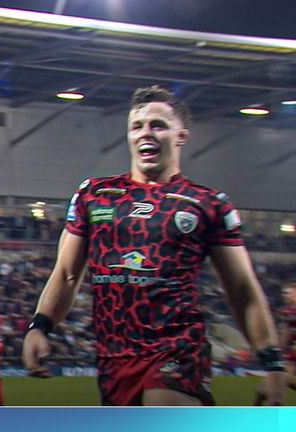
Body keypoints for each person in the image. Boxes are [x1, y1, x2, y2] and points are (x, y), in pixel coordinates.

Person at [22, 85, 287, 406]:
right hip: (113, 358)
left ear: (181, 136)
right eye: (137, 126)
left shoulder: (206, 203)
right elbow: (66, 274)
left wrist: (272, 362)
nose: (145, 133)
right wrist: (40, 325)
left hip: (177, 351)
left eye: (158, 125)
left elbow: (242, 289)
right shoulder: (94, 195)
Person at [254, 281, 296, 404]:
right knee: (262, 392)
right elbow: (286, 332)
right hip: (291, 355)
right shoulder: (288, 312)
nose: (285, 295)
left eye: (288, 292)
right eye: (284, 293)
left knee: (274, 391)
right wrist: (277, 349)